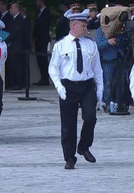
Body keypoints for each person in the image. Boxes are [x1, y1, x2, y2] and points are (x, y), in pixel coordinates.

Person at [48, 10, 103, 169]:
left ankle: (84, 146)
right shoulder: (61, 45)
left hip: (86, 86)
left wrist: (100, 90)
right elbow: (53, 68)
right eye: (83, 24)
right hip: (68, 86)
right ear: (73, 25)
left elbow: (97, 69)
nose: (86, 26)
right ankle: (69, 157)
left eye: (86, 23)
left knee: (90, 117)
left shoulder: (90, 44)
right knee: (68, 124)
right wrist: (59, 87)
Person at [5, 2, 26, 90]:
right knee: (13, 65)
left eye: (12, 8)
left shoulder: (19, 19)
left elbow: (14, 33)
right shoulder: (14, 19)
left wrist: (4, 38)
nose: (10, 10)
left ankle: (18, 84)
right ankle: (14, 83)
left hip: (17, 47)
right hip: (13, 46)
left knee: (16, 65)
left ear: (16, 9)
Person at [33, 0, 52, 86]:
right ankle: (42, 77)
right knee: (39, 58)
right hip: (38, 38)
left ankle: (45, 78)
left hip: (43, 38)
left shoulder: (46, 12)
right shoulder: (38, 13)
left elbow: (43, 25)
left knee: (43, 58)